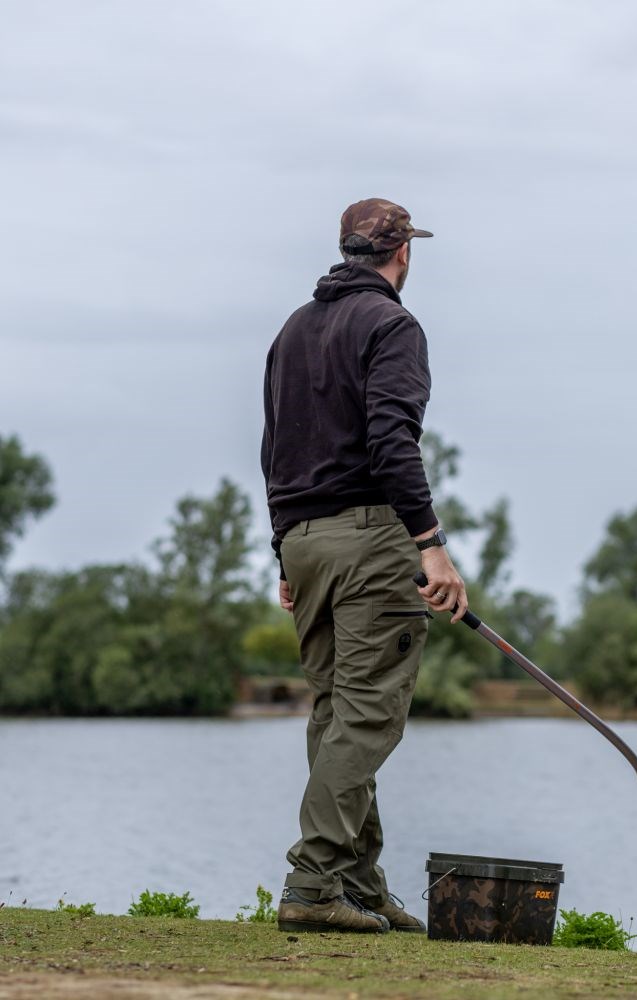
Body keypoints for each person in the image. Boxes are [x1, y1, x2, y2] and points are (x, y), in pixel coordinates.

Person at [260, 198, 468, 934]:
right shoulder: (392, 325)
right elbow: (391, 439)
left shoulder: (293, 329)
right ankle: (313, 882)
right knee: (367, 714)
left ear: (345, 247)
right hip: (370, 540)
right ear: (403, 253)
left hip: (304, 541)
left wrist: (283, 550)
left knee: (336, 713)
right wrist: (430, 543)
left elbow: (274, 447)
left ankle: (356, 882)